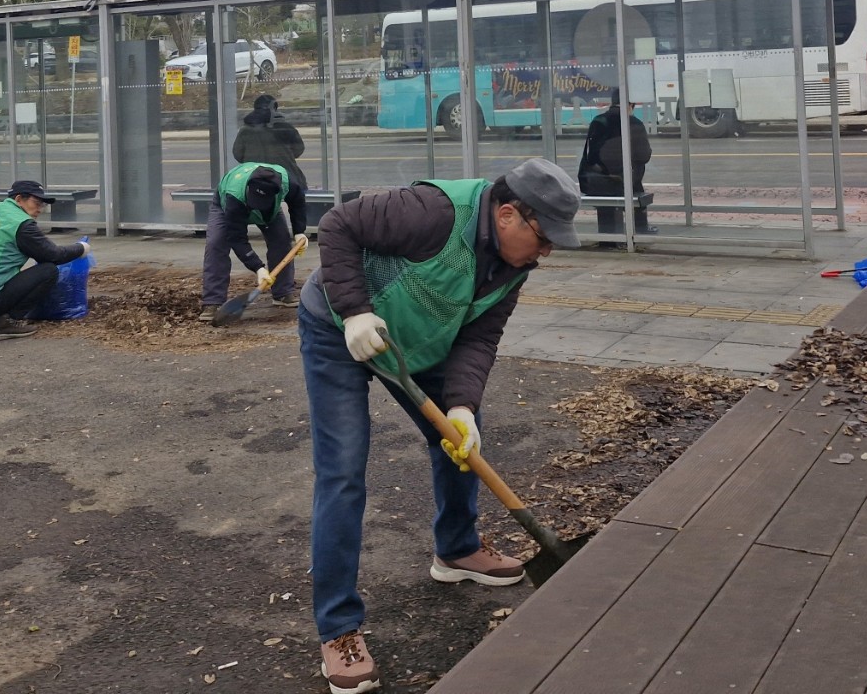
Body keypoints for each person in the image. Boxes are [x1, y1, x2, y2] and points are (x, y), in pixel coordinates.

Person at [297, 157, 581, 694]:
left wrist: (462, 408)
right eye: (544, 238)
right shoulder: (432, 212)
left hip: (415, 340)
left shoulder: (513, 268)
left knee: (458, 441)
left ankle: (456, 548)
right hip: (340, 330)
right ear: (507, 216)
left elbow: (477, 339)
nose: (546, 253)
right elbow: (338, 225)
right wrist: (354, 311)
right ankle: (338, 629)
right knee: (342, 471)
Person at [0, 179, 88, 341]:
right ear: (19, 199)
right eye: (36, 202)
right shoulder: (21, 223)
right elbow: (53, 255)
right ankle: (5, 323)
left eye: (42, 204)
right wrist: (81, 248)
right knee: (48, 270)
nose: (40, 208)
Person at [199, 160, 307, 321]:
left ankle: (283, 293)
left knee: (282, 241)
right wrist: (258, 268)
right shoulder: (234, 195)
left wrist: (299, 232)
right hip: (227, 206)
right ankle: (212, 301)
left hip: (270, 212)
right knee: (216, 244)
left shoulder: (287, 183)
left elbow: (298, 203)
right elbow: (236, 238)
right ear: (249, 187)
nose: (257, 205)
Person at [578, 90, 653, 239]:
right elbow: (644, 156)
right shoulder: (634, 123)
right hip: (625, 183)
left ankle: (608, 235)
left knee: (614, 186)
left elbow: (591, 156)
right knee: (636, 185)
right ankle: (640, 229)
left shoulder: (598, 120)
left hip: (597, 181)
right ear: (631, 104)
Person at [232, 94, 308, 194]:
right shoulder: (285, 128)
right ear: (275, 109)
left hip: (256, 181)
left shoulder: (245, 130)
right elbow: (298, 150)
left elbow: (238, 154)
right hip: (286, 179)